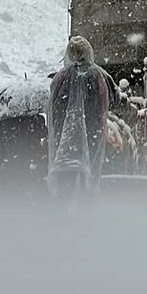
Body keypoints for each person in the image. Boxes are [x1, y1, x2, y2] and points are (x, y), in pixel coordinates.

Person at [47, 36, 111, 203]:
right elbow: (103, 106)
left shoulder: (60, 78)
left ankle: (63, 213)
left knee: (64, 192)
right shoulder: (97, 76)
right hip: (90, 140)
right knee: (87, 190)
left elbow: (52, 111)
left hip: (64, 146)